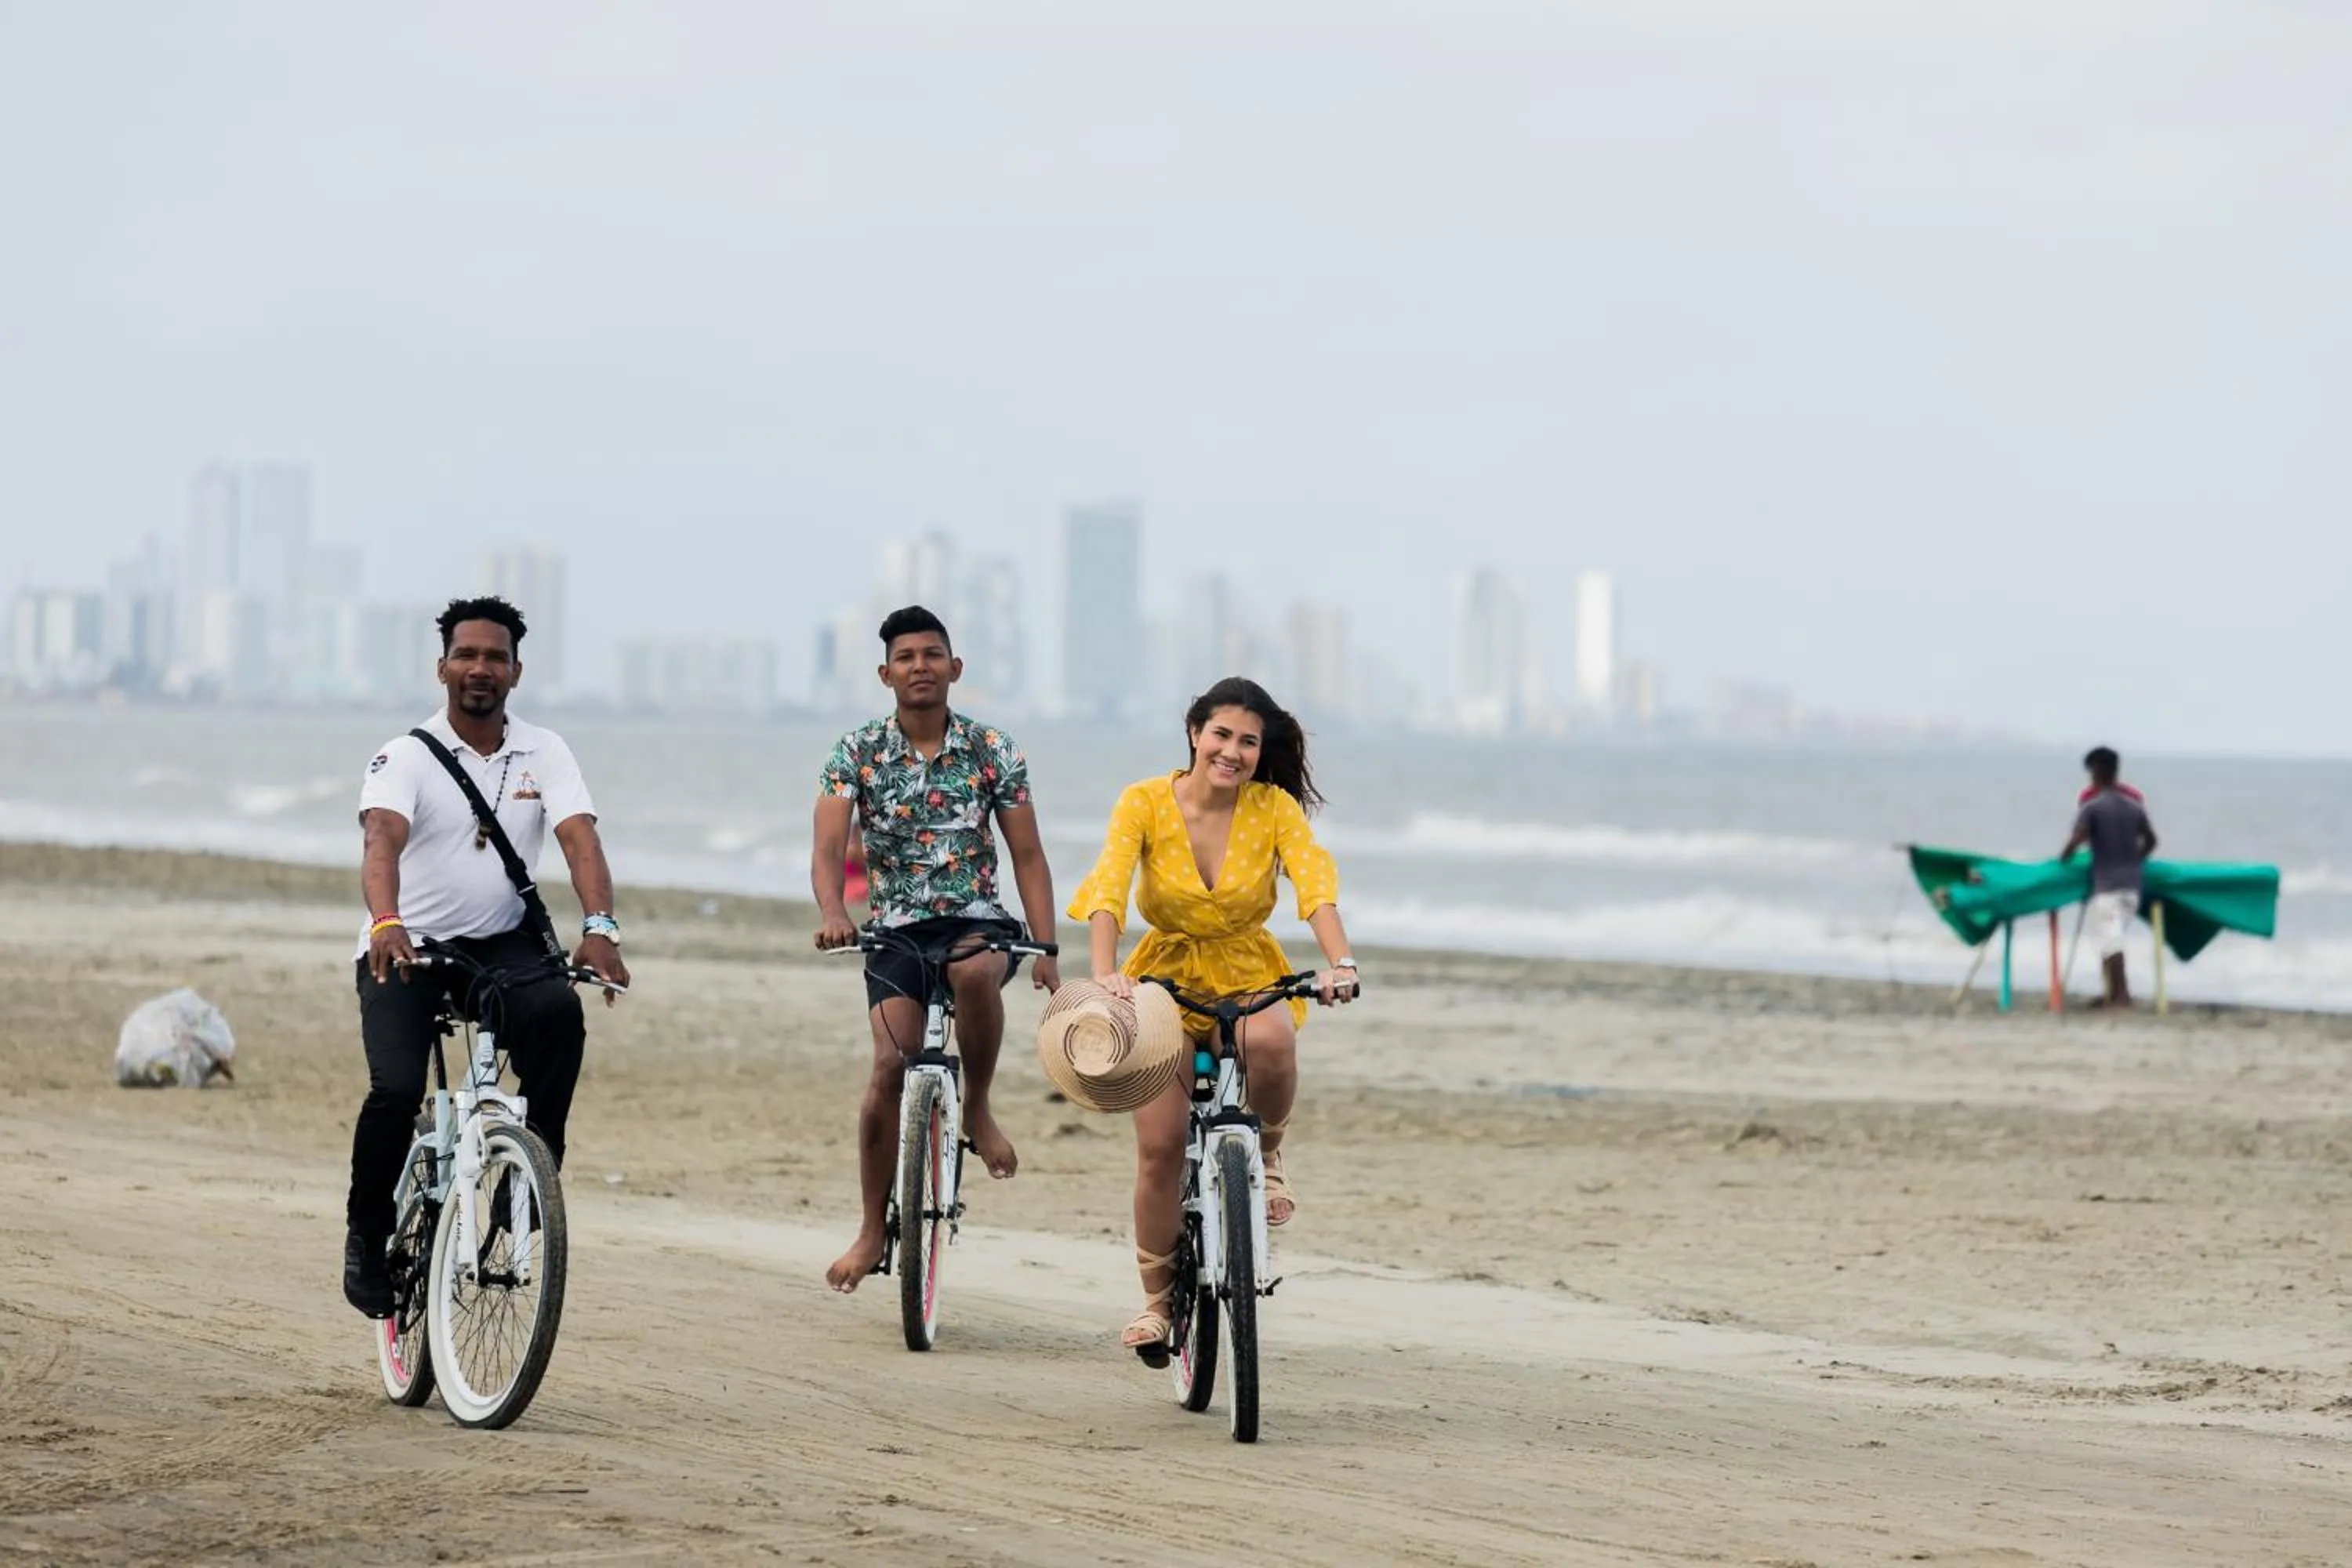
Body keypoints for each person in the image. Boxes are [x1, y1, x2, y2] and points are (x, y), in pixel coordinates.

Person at [343, 596, 630, 1317]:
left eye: (494, 657)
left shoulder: (546, 752)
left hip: (500, 946)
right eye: (466, 655)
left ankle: (530, 1179)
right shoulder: (403, 755)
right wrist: (385, 921)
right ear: (443, 667)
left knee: (559, 1017)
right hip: (408, 946)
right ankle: (366, 1233)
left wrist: (600, 926)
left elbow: (579, 839)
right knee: (395, 1090)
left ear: (516, 671)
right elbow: (382, 838)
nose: (480, 668)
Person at [1066, 676, 1359, 1355]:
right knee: (1161, 1148)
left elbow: (1313, 884)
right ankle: (1156, 1304)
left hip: (1246, 967)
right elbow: (1109, 883)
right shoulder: (1143, 800)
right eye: (1221, 734)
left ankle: (1271, 1150)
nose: (1233, 751)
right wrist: (1107, 972)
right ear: (1195, 733)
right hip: (1161, 976)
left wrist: (1341, 962)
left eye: (1248, 742)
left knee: (1274, 1040)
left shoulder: (1274, 808)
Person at [811, 604, 1061, 1294]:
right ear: (886, 674)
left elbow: (1029, 856)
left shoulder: (994, 751)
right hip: (894, 930)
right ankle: (871, 1229)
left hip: (978, 920)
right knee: (888, 1069)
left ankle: (976, 1104)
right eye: (906, 657)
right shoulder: (854, 752)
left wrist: (1047, 948)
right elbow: (829, 848)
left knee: (975, 971)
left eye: (933, 655)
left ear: (955, 669)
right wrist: (835, 911)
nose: (920, 666)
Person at [2060, 745, 2158, 1009]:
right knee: (2107, 938)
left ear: (2096, 772)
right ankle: (2111, 992)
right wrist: (2135, 859)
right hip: (2132, 885)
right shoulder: (2133, 805)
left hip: (2107, 885)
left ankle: (2122, 995)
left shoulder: (2092, 807)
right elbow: (2151, 840)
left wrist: (2064, 858)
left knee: (2109, 940)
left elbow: (2077, 839)